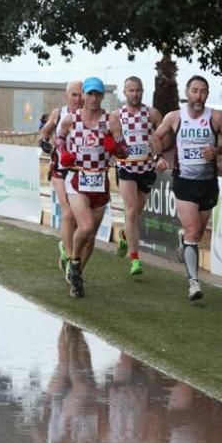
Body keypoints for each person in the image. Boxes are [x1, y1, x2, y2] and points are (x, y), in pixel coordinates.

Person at [150, 75, 222, 301]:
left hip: (208, 182)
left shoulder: (215, 118)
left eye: (204, 91)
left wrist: (217, 151)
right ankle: (193, 282)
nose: (199, 96)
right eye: (195, 90)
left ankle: (185, 241)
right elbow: (157, 137)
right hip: (184, 181)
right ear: (187, 93)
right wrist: (158, 157)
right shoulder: (175, 117)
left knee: (196, 232)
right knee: (192, 232)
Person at [57, 77, 128, 298]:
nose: (93, 98)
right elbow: (59, 138)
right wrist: (64, 155)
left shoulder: (111, 121)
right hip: (78, 180)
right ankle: (73, 262)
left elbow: (124, 152)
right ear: (84, 95)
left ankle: (76, 275)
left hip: (100, 182)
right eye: (90, 94)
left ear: (102, 96)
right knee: (85, 227)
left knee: (90, 237)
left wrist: (114, 146)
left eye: (98, 94)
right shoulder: (71, 120)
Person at [109, 76, 166, 276]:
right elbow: (113, 140)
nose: (135, 94)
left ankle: (125, 235)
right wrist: (113, 155)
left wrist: (160, 157)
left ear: (143, 91)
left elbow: (161, 138)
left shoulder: (152, 114)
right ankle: (135, 260)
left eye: (138, 90)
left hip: (146, 169)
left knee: (136, 214)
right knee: (131, 211)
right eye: (131, 90)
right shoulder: (116, 115)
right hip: (126, 168)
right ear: (124, 93)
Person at [38, 80, 83, 273]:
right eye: (74, 95)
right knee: (68, 213)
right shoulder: (59, 114)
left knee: (79, 220)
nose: (78, 99)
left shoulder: (90, 117)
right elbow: (45, 131)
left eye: (81, 94)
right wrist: (43, 142)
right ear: (67, 96)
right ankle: (70, 257)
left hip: (81, 170)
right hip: (60, 169)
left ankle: (66, 247)